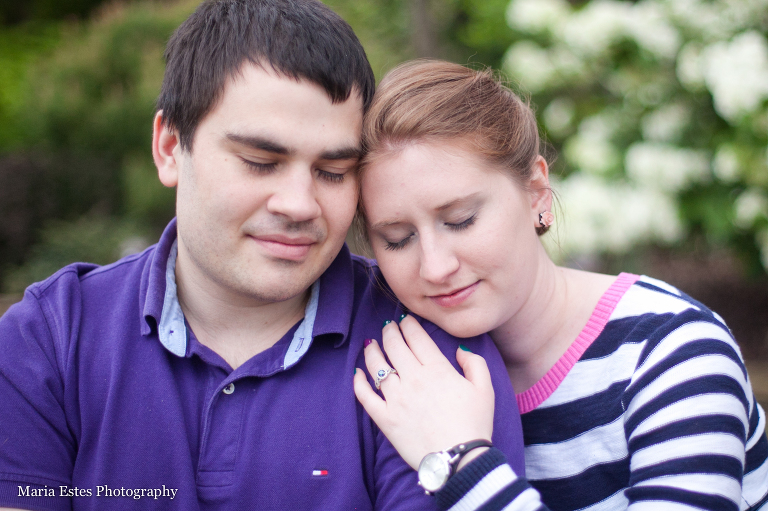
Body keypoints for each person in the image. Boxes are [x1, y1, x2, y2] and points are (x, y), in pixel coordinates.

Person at [0, 6, 527, 510]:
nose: (299, 205)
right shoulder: (51, 338)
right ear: (169, 147)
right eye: (260, 162)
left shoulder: (428, 354)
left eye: (333, 171)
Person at [353, 59, 768, 510]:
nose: (434, 267)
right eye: (397, 239)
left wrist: (462, 462)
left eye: (461, 220)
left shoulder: (673, 350)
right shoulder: (411, 374)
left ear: (535, 192)